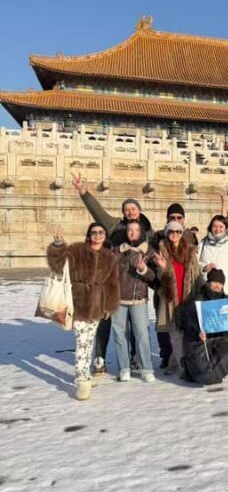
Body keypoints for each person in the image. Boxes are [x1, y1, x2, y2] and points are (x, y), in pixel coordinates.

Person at [71, 171, 153, 375]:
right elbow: (97, 213)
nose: (130, 211)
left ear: (139, 211)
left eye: (133, 208)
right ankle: (100, 357)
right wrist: (84, 192)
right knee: (108, 322)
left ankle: (135, 357)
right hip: (113, 281)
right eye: (127, 209)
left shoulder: (149, 231)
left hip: (137, 284)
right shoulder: (115, 225)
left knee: (137, 325)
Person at [47, 223, 120, 401]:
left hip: (97, 305)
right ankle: (81, 380)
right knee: (81, 342)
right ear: (88, 235)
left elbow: (112, 284)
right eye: (93, 232)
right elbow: (57, 264)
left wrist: (109, 306)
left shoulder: (109, 257)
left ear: (105, 236)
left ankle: (85, 374)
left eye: (101, 232)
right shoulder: (76, 251)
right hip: (78, 303)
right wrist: (58, 244)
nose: (97, 235)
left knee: (89, 342)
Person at [151, 203, 198, 370]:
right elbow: (158, 278)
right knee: (175, 336)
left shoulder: (191, 250)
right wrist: (162, 268)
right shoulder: (161, 250)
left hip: (187, 296)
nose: (175, 234)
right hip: (170, 297)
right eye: (171, 231)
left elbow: (196, 275)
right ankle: (184, 368)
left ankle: (173, 362)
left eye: (178, 230)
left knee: (185, 333)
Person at [112, 221, 156, 383]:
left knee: (142, 334)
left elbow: (153, 278)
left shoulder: (148, 252)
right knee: (119, 334)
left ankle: (146, 368)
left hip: (138, 298)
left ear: (141, 233)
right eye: (129, 229)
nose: (132, 232)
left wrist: (144, 269)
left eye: (136, 230)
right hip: (118, 298)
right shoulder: (117, 251)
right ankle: (124, 368)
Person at [181, 269, 228, 385]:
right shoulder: (197, 301)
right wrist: (198, 331)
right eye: (215, 282)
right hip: (199, 342)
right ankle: (195, 372)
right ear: (208, 283)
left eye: (220, 283)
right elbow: (190, 321)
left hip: (219, 341)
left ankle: (213, 375)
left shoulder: (226, 300)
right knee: (202, 367)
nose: (218, 285)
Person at [197, 215, 228, 296]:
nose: (217, 229)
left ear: (226, 228)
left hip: (226, 291)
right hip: (206, 291)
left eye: (221, 226)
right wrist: (204, 268)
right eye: (215, 226)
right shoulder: (202, 244)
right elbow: (195, 264)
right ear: (210, 227)